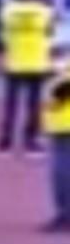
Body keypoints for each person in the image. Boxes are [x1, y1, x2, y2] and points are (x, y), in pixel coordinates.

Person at [0, 0, 54, 153]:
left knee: (11, 105)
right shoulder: (44, 12)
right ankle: (31, 141)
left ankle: (5, 141)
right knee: (34, 105)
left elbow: (3, 34)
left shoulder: (7, 12)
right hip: (36, 62)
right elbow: (50, 32)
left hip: (14, 62)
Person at [40, 66, 70, 233]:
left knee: (62, 172)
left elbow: (57, 99)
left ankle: (65, 215)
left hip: (64, 127)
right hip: (60, 126)